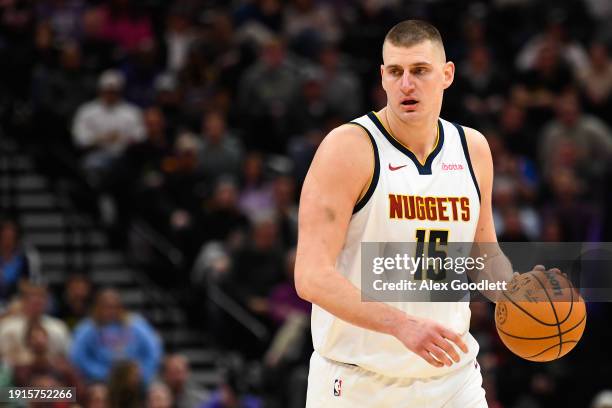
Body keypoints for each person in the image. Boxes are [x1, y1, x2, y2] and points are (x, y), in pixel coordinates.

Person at [295, 20, 519, 407]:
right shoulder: (348, 148)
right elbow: (311, 276)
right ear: (382, 77)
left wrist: (519, 293)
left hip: (453, 380)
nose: (406, 84)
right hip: (358, 383)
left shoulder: (473, 149)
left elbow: (485, 257)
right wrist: (401, 325)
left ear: (447, 74)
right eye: (396, 72)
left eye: (419, 71)